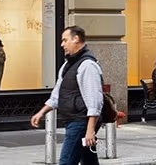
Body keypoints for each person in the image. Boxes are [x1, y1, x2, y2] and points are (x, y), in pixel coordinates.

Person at [30, 26, 103, 165]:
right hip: (73, 119)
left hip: (81, 121)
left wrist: (90, 129)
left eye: (65, 40)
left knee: (67, 161)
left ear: (76, 39)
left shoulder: (87, 65)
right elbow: (57, 94)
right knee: (88, 160)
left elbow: (95, 101)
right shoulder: (68, 65)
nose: (62, 44)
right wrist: (41, 112)